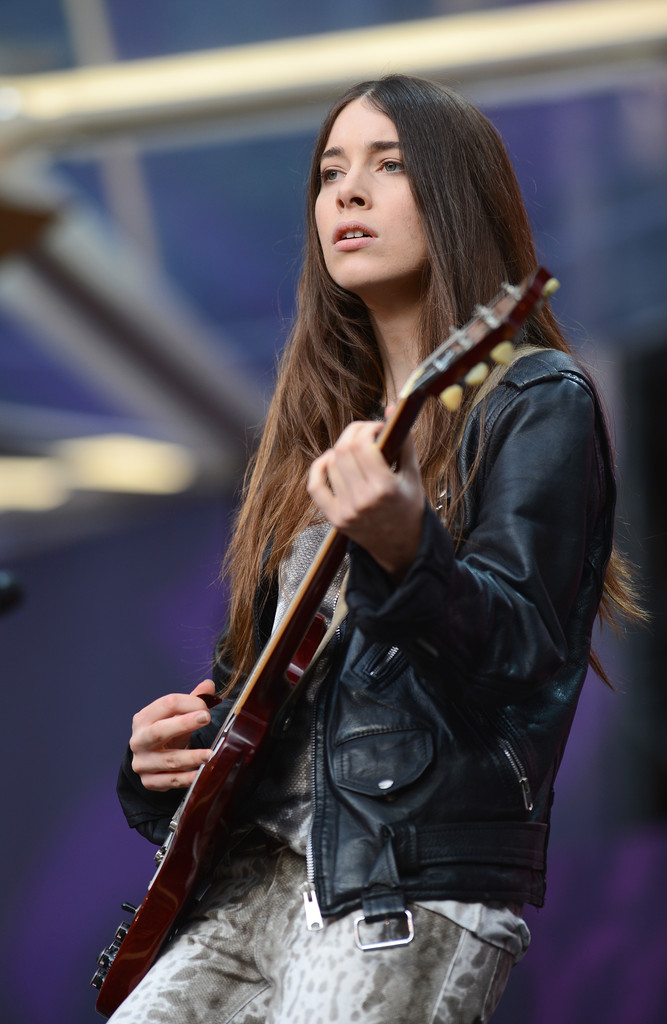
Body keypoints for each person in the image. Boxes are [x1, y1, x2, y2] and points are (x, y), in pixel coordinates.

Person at [110, 75, 640, 1024]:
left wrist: (407, 549)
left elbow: (522, 653)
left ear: (456, 198)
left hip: (401, 883)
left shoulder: (535, 399)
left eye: (388, 166)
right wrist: (167, 756)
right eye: (329, 173)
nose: (346, 192)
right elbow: (262, 695)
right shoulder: (314, 436)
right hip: (245, 886)